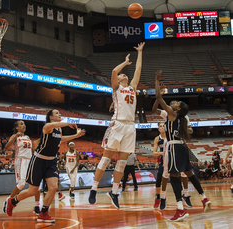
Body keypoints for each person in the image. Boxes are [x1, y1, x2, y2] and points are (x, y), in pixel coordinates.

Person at [88, 42, 145, 209]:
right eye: (122, 75)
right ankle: (93, 188)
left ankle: (114, 192)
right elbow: (114, 71)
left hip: (130, 127)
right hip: (118, 124)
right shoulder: (116, 88)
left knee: (121, 163)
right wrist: (125, 63)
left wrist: (140, 53)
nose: (124, 75)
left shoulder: (133, 88)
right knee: (106, 159)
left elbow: (139, 70)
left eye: (124, 75)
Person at [3, 109, 86, 222]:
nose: (59, 114)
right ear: (51, 117)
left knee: (53, 187)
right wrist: (68, 122)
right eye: (57, 113)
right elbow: (52, 125)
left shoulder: (59, 129)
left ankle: (43, 213)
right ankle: (12, 202)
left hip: (51, 161)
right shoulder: (47, 126)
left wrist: (75, 136)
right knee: (32, 191)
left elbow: (60, 139)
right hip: (39, 160)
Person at [155, 70, 211, 221]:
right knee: (189, 173)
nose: (174, 103)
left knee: (174, 176)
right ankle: (204, 198)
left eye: (176, 103)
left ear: (178, 109)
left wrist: (156, 80)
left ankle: (180, 208)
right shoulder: (181, 117)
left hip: (173, 147)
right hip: (182, 147)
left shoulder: (172, 114)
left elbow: (159, 98)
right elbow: (156, 106)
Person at [3, 120, 41, 216]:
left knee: (37, 185)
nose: (23, 125)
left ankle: (37, 206)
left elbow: (31, 150)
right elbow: (6, 147)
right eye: (21, 124)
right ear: (16, 127)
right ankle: (9, 200)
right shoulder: (15, 136)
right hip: (21, 161)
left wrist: (38, 146)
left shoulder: (27, 137)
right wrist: (14, 137)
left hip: (30, 160)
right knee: (21, 184)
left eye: (24, 124)